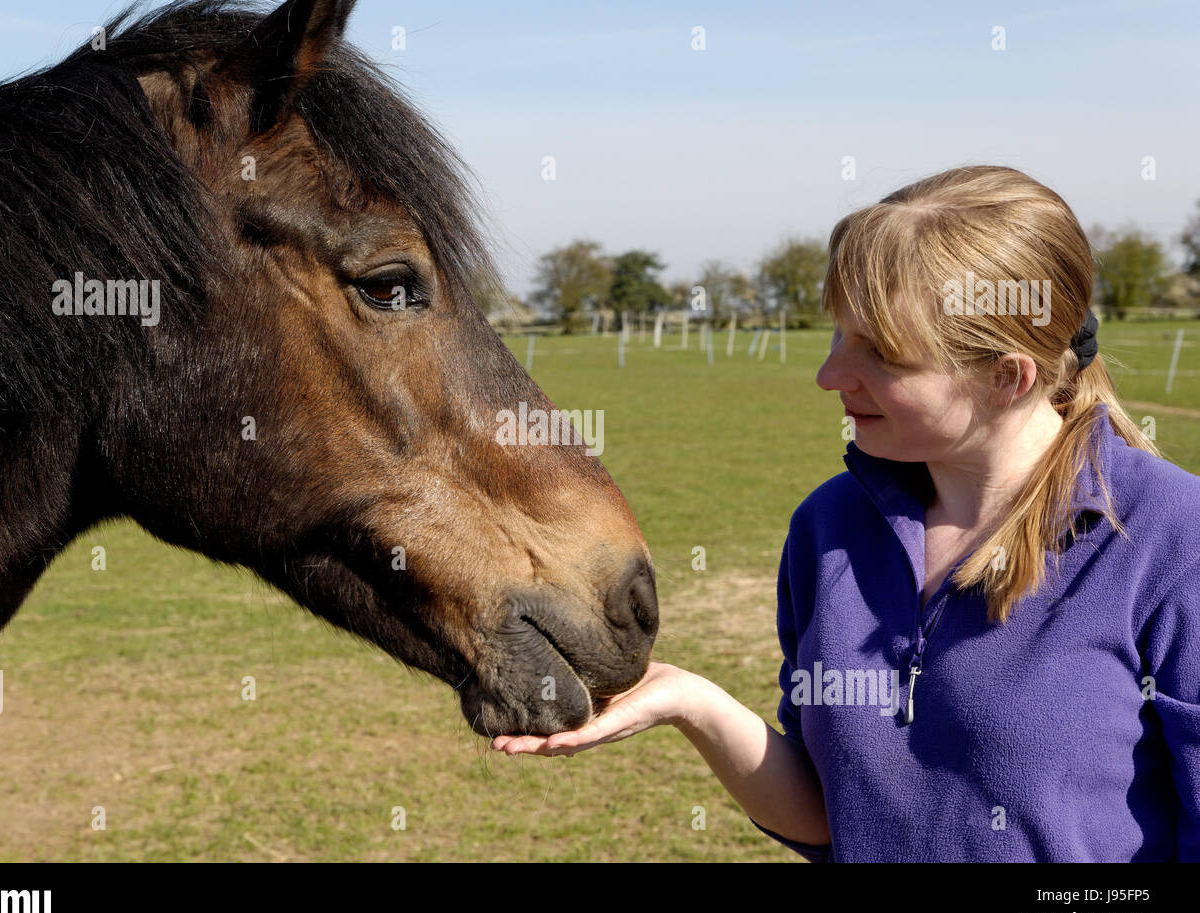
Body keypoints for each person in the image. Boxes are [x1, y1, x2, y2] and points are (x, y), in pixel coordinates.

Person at [491, 165, 1200, 862]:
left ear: (1006, 377)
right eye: (840, 334)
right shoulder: (826, 530)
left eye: (882, 354)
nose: (830, 375)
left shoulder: (1172, 540)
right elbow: (831, 814)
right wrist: (693, 702)